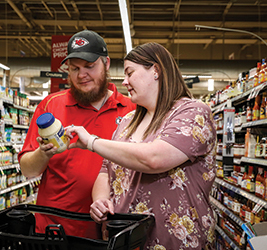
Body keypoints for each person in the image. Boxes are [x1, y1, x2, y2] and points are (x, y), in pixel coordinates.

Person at [66, 42, 217, 249]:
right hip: (124, 239)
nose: (125, 81)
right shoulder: (128, 122)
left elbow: (155, 158)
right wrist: (100, 200)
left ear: (155, 70)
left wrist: (92, 141)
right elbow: (105, 171)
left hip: (175, 241)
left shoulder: (191, 112)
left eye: (130, 73)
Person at [18, 29, 136, 239]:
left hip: (111, 228)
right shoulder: (51, 105)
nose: (82, 75)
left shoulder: (130, 110)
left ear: (106, 64)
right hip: (54, 227)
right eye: (75, 68)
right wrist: (44, 153)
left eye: (90, 66)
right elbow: (28, 170)